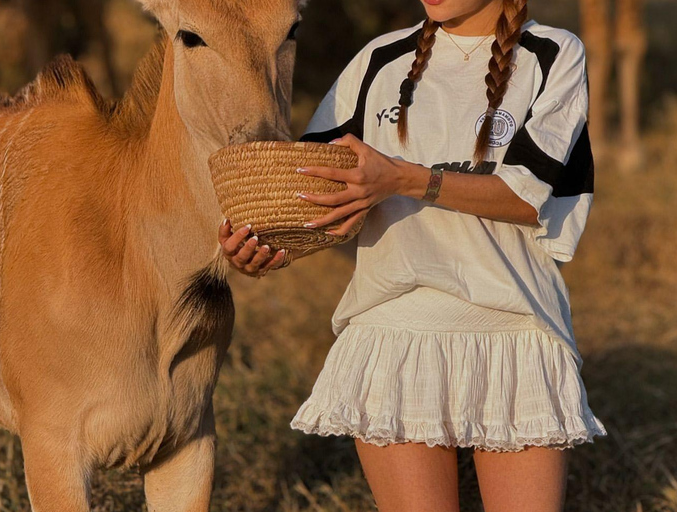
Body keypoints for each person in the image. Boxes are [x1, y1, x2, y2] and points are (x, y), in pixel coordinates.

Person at [218, 0, 607, 509]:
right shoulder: (379, 59)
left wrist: (405, 178)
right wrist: (266, 248)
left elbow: (527, 197)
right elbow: (311, 190)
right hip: (394, 334)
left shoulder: (554, 53)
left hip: (514, 332)